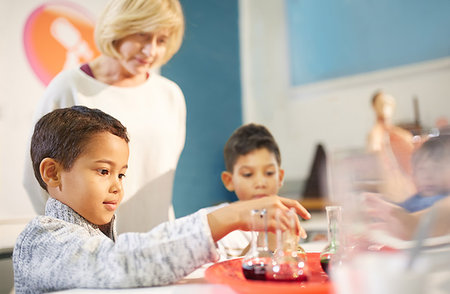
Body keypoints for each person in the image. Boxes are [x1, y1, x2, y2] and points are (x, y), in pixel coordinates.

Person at [13, 106, 311, 293]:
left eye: (121, 175)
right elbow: (120, 263)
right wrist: (229, 216)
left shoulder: (95, 235)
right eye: (104, 171)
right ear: (52, 173)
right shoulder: (41, 241)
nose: (117, 186)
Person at [23, 0, 187, 233]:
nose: (151, 51)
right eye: (142, 35)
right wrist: (75, 242)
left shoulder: (170, 95)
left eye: (161, 40)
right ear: (118, 29)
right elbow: (36, 181)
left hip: (158, 242)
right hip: (91, 251)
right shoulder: (69, 87)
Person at [217, 123, 306, 259]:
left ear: (280, 177)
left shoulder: (285, 222)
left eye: (269, 173)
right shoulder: (218, 224)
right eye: (248, 174)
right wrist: (262, 246)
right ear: (229, 180)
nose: (260, 183)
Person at [366, 90, 416, 202]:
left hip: (409, 191)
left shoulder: (402, 134)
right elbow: (374, 153)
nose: (385, 107)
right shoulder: (375, 135)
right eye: (381, 104)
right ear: (374, 107)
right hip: (391, 194)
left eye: (388, 104)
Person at [396, 135, 450, 212]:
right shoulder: (415, 199)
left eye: (436, 169)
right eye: (421, 169)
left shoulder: (443, 203)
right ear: (413, 175)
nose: (428, 176)